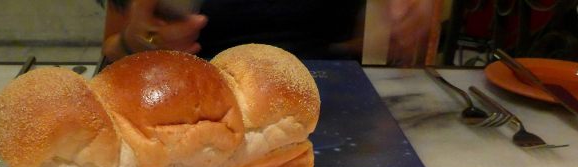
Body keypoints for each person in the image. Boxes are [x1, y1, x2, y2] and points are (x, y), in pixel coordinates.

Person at [98, 0, 435, 65]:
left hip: (327, 101)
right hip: (191, 101)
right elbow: (113, 48)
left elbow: (371, 42)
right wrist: (138, 42)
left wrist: (409, 17)